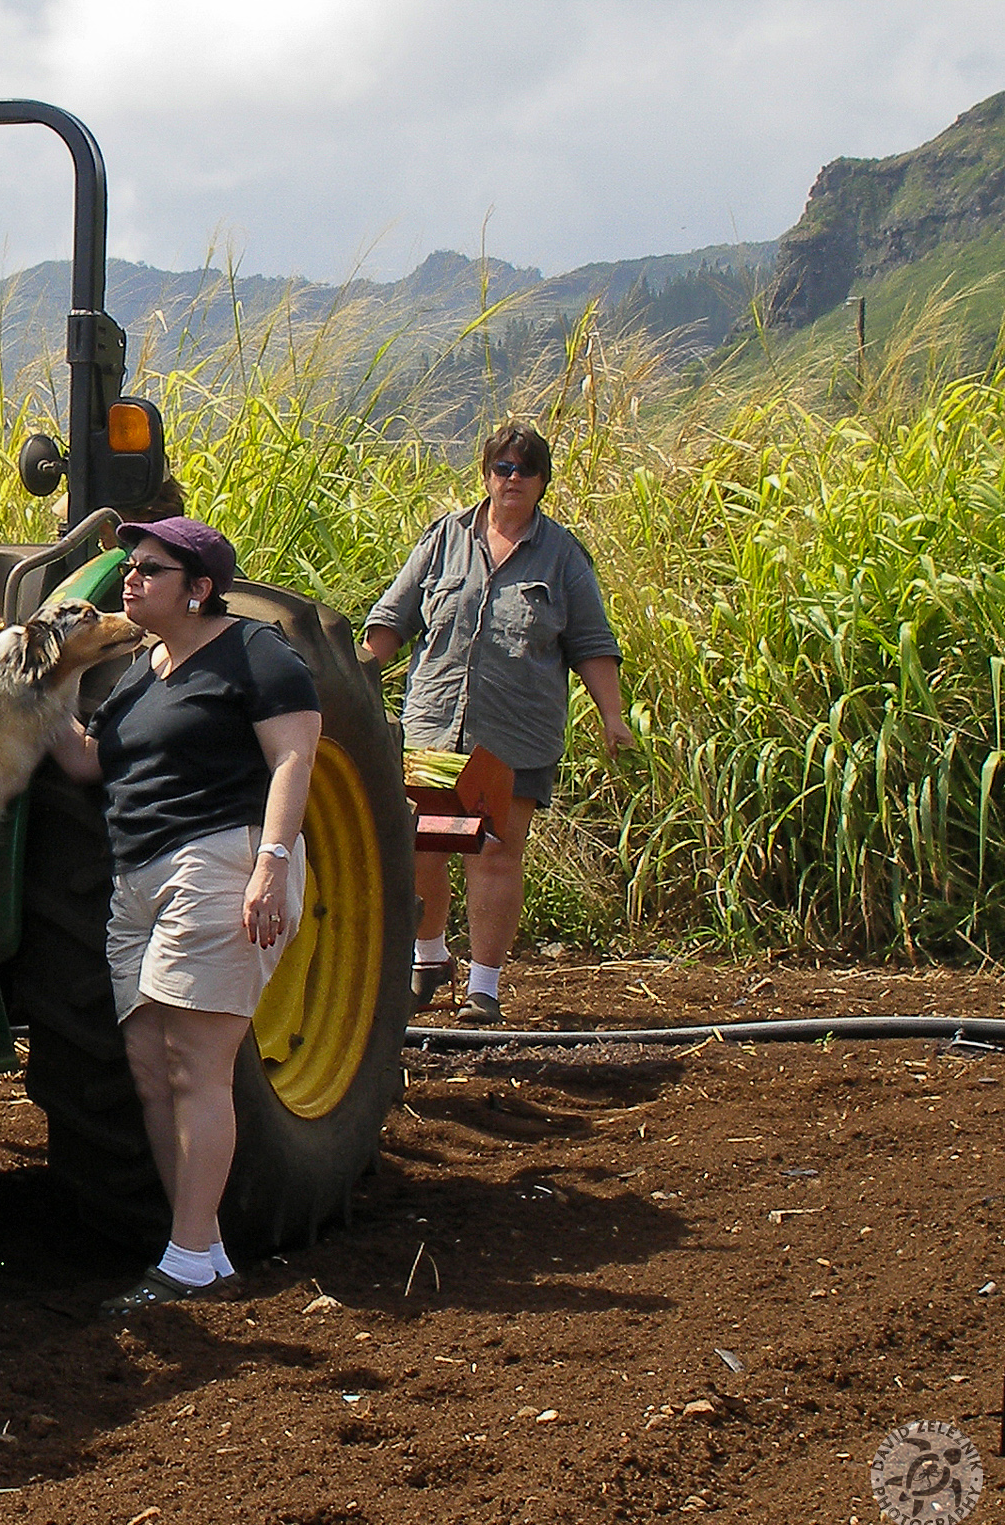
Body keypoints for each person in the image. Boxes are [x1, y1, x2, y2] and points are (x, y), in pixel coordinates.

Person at [44, 515, 320, 1310]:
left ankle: (188, 1258)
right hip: (136, 881)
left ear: (198, 590)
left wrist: (271, 864)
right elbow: (87, 760)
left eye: (151, 570)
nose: (130, 580)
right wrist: (20, 684)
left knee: (196, 1065)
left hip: (218, 862)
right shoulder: (142, 668)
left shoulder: (255, 654)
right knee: (151, 1070)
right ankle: (202, 1248)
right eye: (131, 566)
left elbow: (294, 758)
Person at [363, 421, 629, 1026]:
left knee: (496, 855)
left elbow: (591, 642)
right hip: (435, 725)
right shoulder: (444, 539)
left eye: (526, 469)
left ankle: (484, 988)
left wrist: (613, 717)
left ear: (542, 482)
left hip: (515, 732)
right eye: (503, 468)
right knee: (424, 847)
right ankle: (429, 960)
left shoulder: (562, 555)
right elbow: (391, 622)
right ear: (486, 474)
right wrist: (353, 684)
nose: (513, 479)